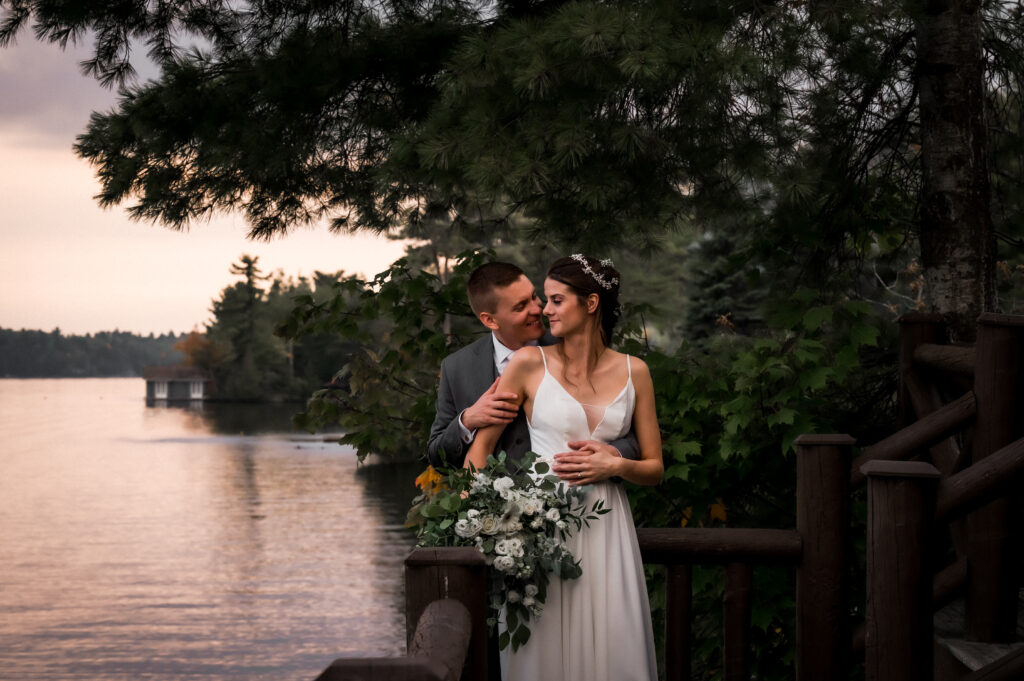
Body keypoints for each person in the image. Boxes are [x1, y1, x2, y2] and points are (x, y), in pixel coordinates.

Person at [464, 255, 663, 681]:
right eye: (545, 300)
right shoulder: (527, 365)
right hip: (538, 532)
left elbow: (654, 468)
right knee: (543, 653)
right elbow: (478, 454)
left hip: (607, 529)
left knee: (613, 646)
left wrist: (616, 464)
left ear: (590, 303)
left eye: (556, 300)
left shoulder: (636, 372)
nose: (545, 310)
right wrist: (491, 526)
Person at [427, 261, 639, 471]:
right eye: (521, 307)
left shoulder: (574, 346)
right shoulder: (456, 367)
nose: (538, 309)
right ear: (490, 320)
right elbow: (436, 456)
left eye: (534, 296)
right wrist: (467, 420)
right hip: (492, 492)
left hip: (576, 488)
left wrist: (611, 455)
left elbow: (629, 434)